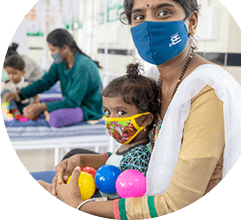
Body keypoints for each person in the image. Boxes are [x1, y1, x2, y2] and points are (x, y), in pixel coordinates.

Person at [46, 0, 241, 218]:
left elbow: (176, 203)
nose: (149, 24)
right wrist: (85, 160)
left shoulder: (207, 90)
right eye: (139, 16)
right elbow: (143, 153)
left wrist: (80, 205)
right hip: (144, 194)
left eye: (164, 12)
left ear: (192, 22)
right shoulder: (155, 79)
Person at [37, 63, 159, 200]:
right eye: (107, 112)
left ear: (145, 120)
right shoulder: (129, 145)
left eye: (121, 112)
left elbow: (125, 200)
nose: (111, 119)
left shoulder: (138, 157)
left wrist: (77, 200)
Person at [5, 29, 104, 128]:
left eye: (53, 50)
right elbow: (44, 83)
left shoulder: (82, 66)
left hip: (87, 109)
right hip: (71, 102)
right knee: (33, 105)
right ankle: (46, 112)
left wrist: (43, 107)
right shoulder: (60, 63)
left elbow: (73, 102)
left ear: (64, 48)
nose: (51, 54)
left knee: (54, 119)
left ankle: (48, 114)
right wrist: (19, 94)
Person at [1, 55, 40, 120]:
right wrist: (5, 108)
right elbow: (4, 99)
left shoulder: (27, 83)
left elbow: (37, 96)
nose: (11, 76)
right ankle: (16, 114)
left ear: (23, 72)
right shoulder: (6, 85)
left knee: (40, 108)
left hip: (26, 106)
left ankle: (29, 115)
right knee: (5, 92)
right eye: (9, 73)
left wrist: (34, 103)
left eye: (14, 73)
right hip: (13, 108)